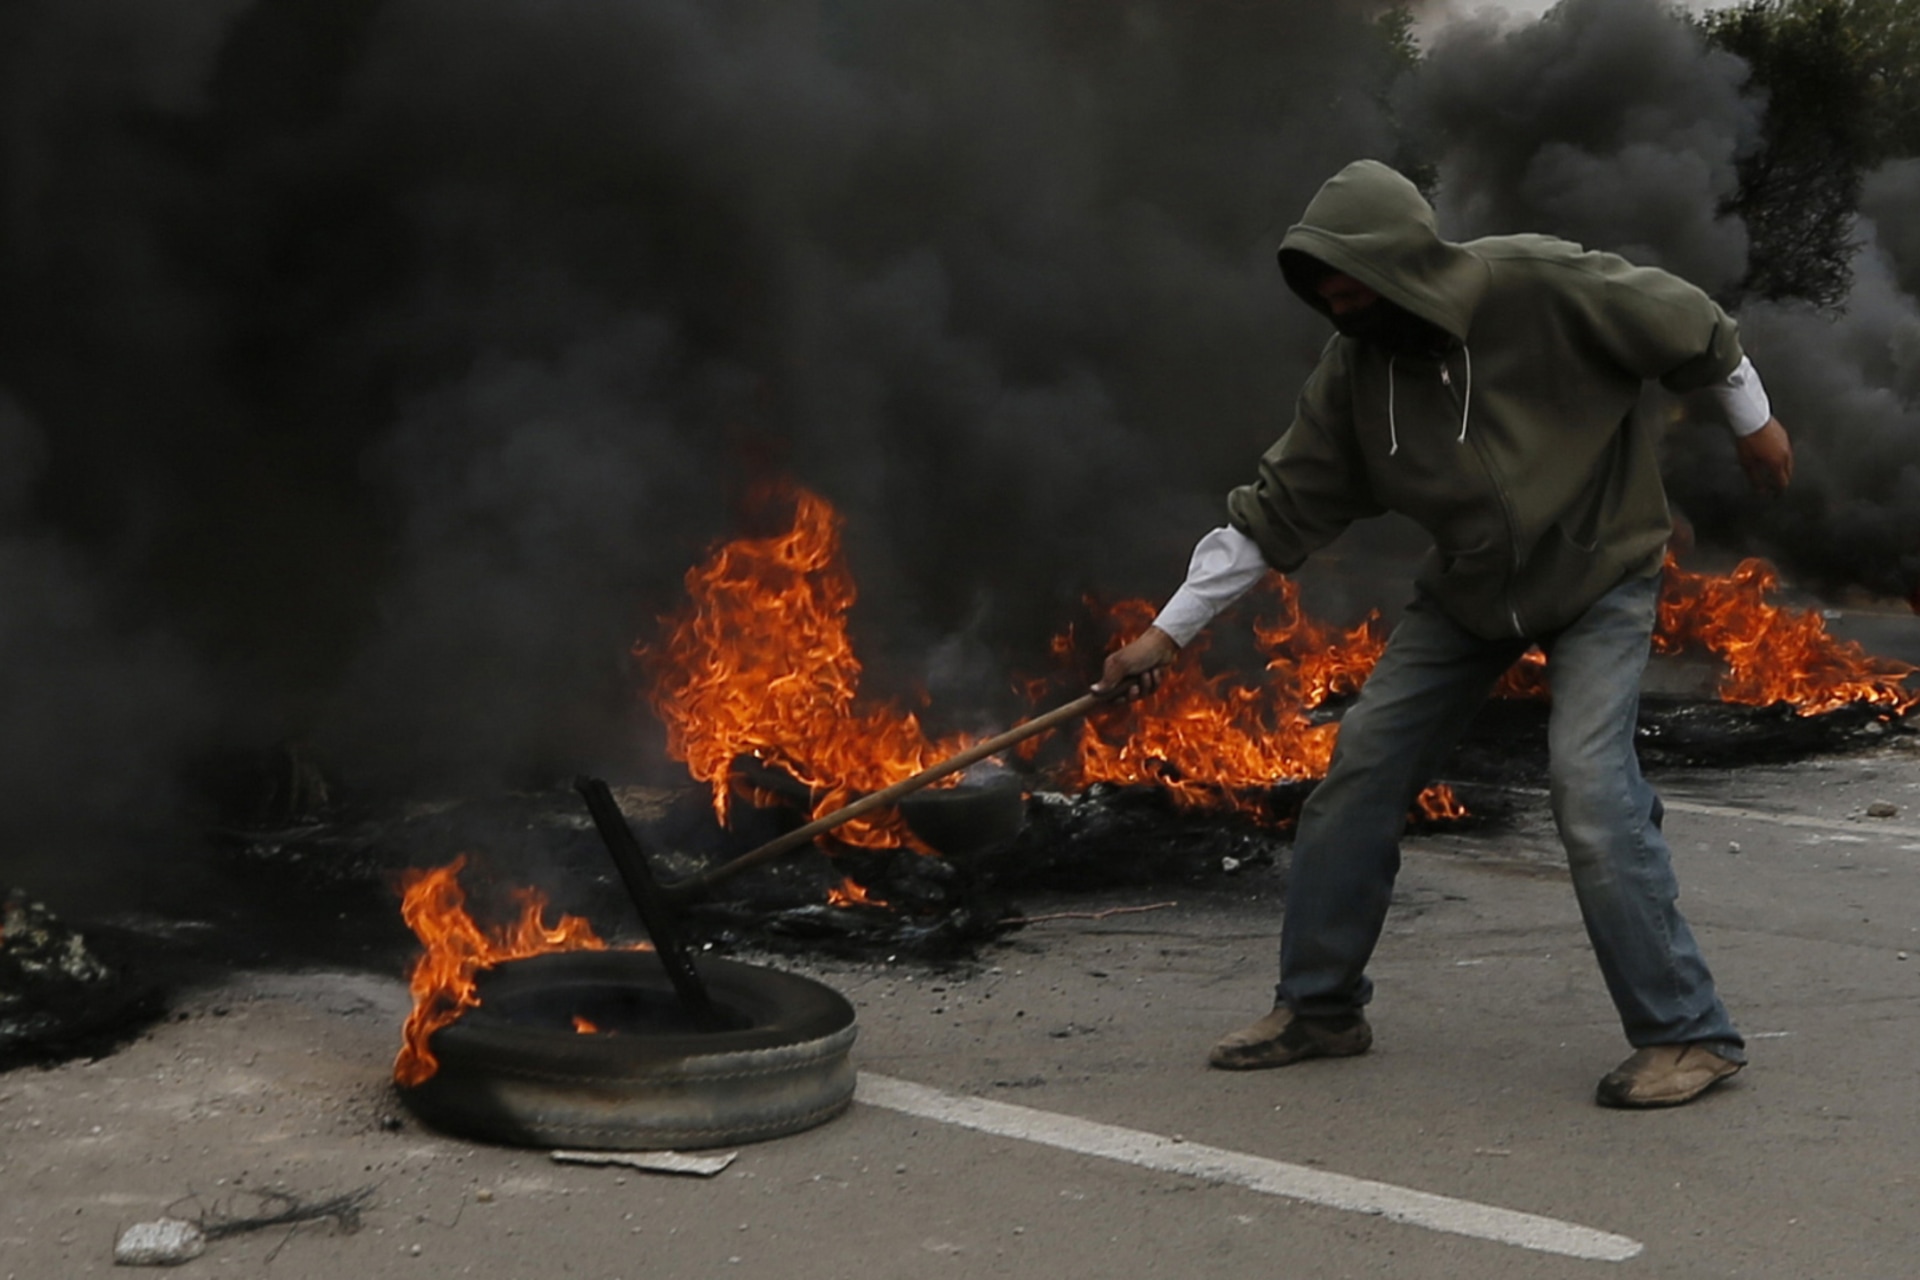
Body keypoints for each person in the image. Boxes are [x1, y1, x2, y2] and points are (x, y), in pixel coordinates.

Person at [1096, 159, 1794, 1109]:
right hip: (1472, 593)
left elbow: (1691, 325)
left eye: (1356, 286)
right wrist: (1164, 638)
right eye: (1324, 293)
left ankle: (1689, 1034)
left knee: (1589, 790)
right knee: (1359, 775)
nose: (1342, 308)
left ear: (1406, 264)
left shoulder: (1539, 284)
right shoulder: (1352, 377)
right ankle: (1320, 1008)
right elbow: (1271, 514)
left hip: (1598, 569)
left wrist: (1755, 424)